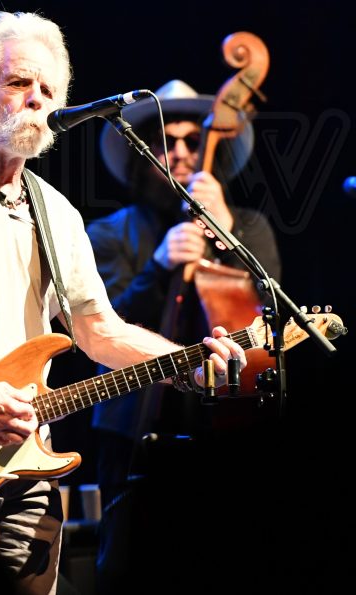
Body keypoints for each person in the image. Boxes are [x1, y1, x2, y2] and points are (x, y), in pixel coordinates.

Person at [0, 13, 248, 595]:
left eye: (49, 89)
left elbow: (99, 331)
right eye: (19, 83)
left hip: (27, 458)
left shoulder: (57, 212)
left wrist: (184, 361)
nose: (37, 99)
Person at [88, 81, 281, 592]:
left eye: (193, 141)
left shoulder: (250, 227)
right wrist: (158, 267)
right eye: (165, 142)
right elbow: (99, 328)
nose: (180, 152)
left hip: (224, 421)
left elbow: (268, 321)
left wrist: (227, 236)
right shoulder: (107, 234)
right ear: (143, 155)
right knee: (126, 566)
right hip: (132, 424)